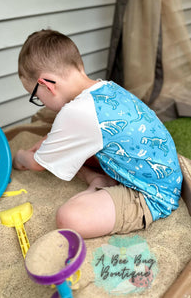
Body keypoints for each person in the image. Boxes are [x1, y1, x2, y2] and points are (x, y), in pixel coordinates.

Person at [13, 29, 183, 239]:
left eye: (36, 97)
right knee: (76, 151)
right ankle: (96, 178)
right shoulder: (107, 88)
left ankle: (96, 183)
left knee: (68, 218)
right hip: (164, 175)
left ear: (46, 85)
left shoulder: (76, 113)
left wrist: (20, 156)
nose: (41, 103)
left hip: (152, 195)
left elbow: (38, 164)